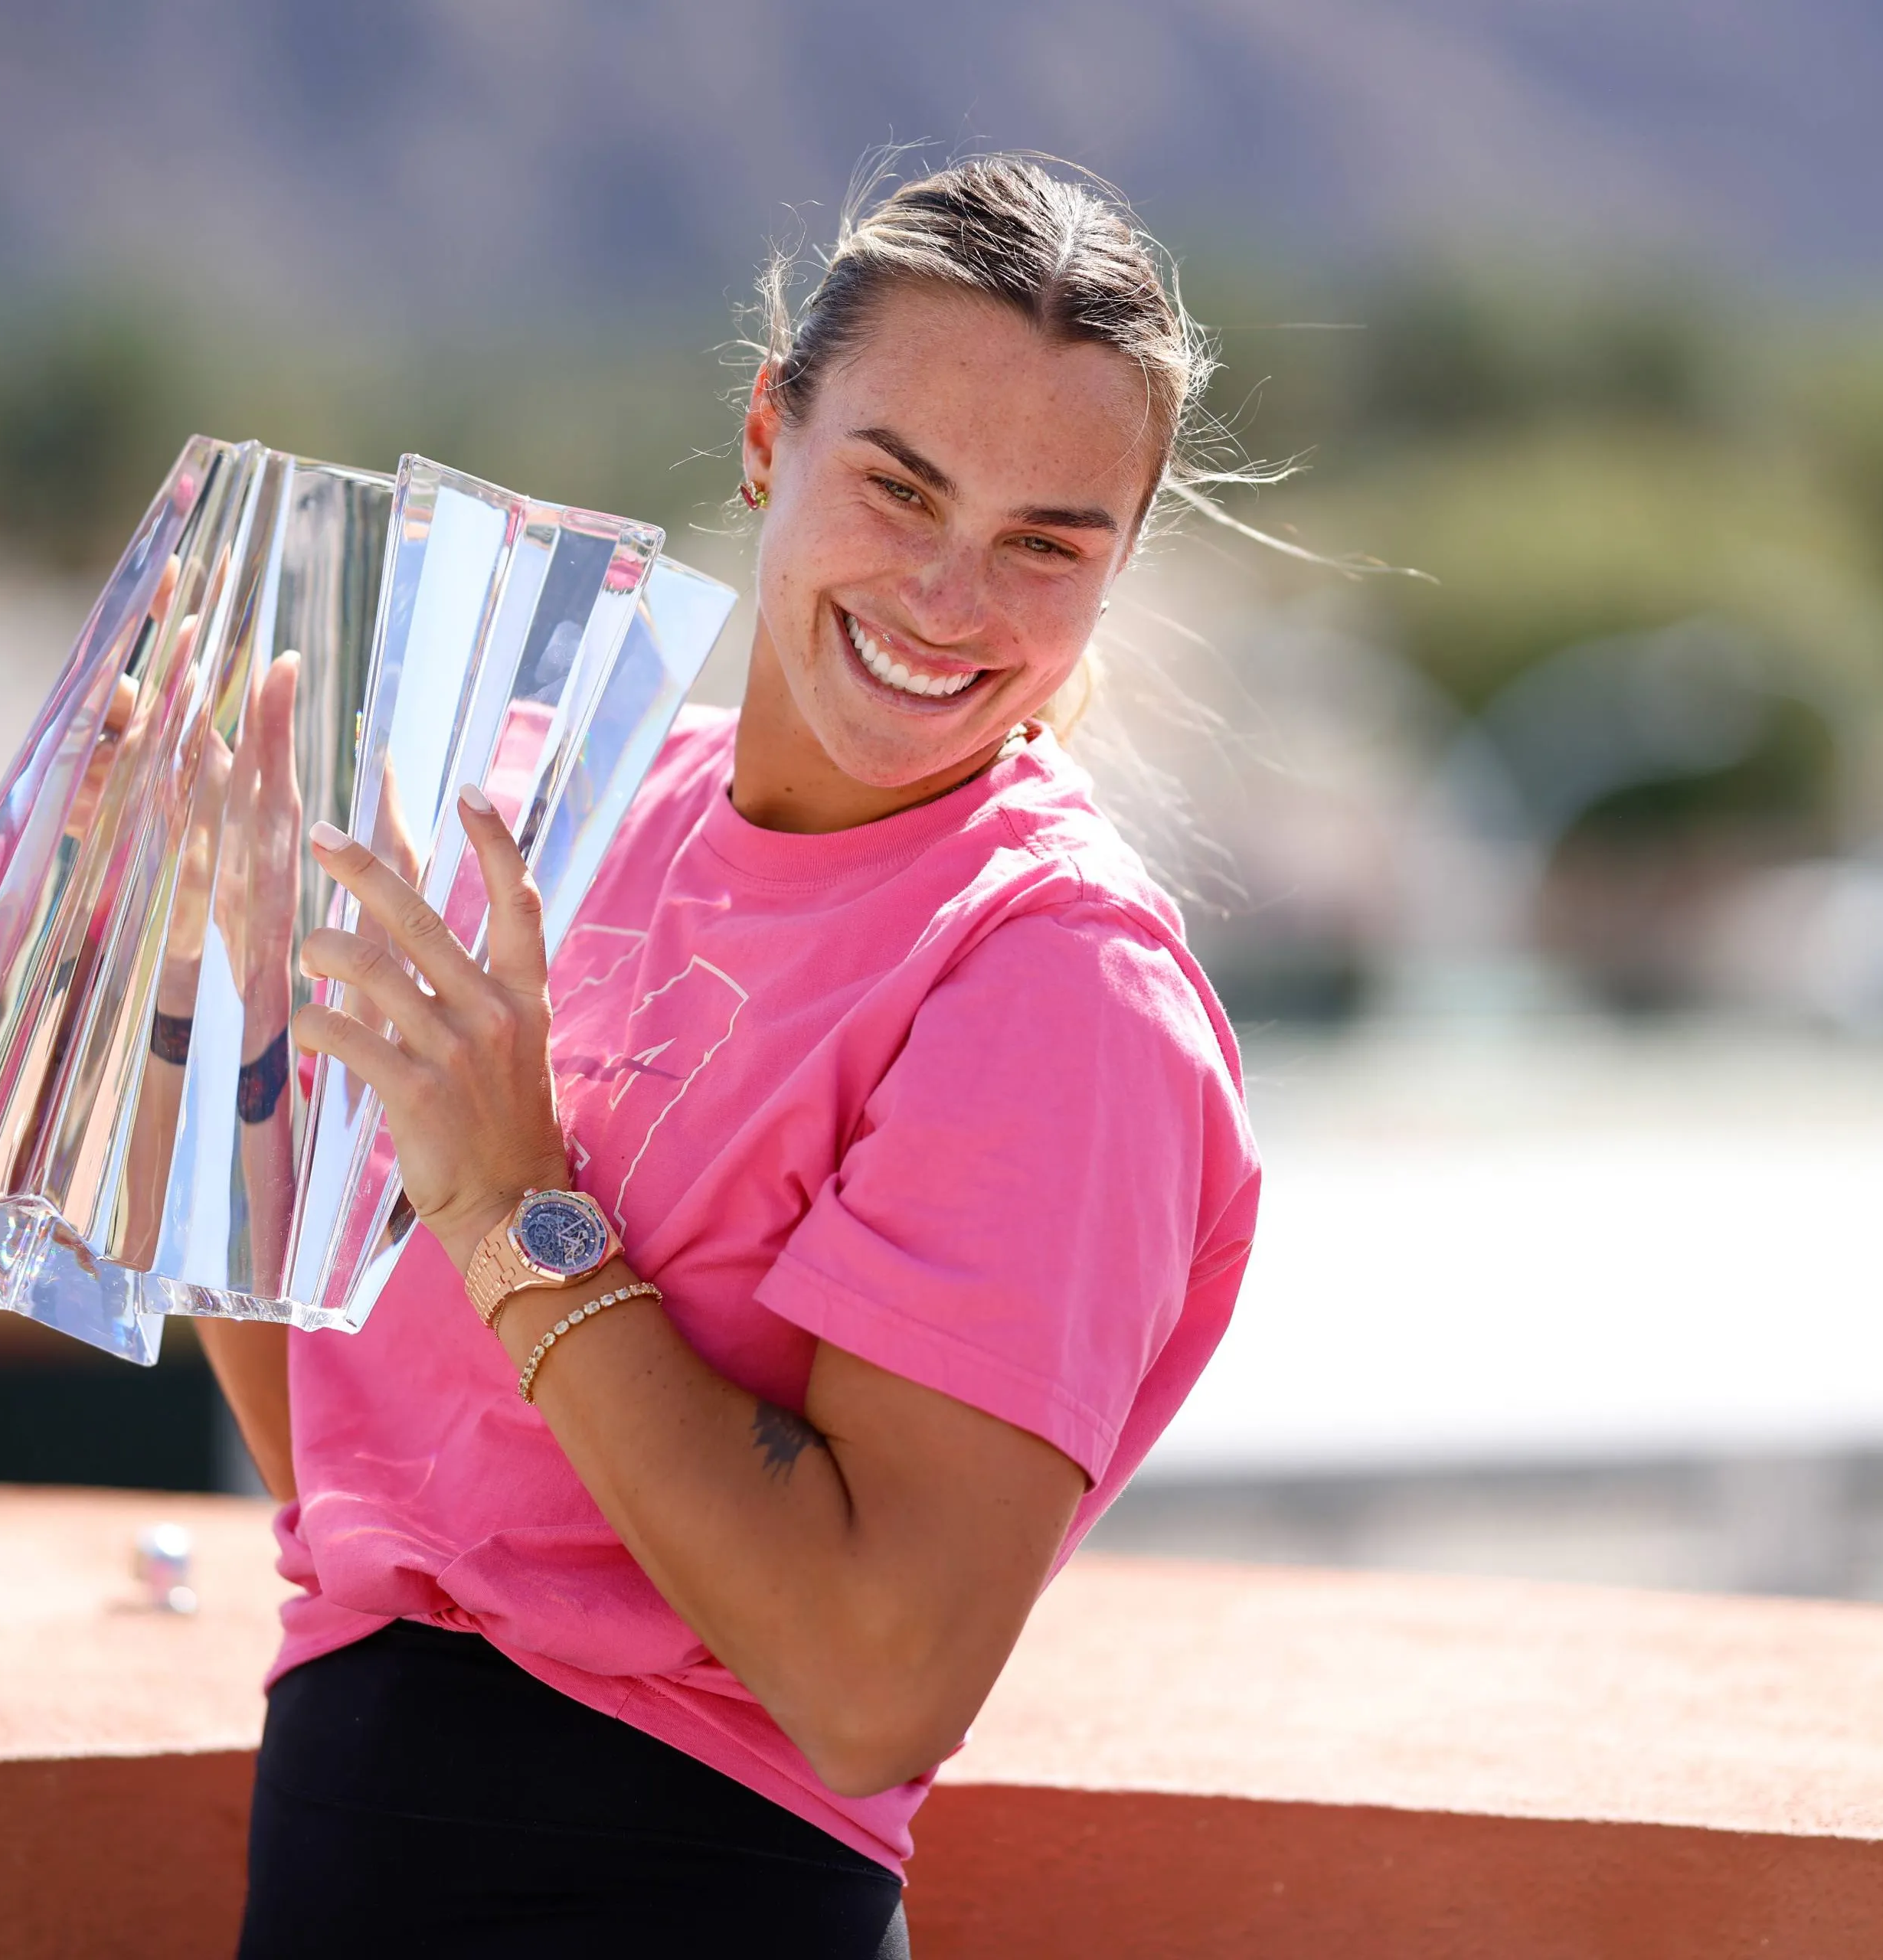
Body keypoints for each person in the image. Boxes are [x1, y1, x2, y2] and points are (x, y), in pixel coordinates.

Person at [198, 153, 1264, 1959]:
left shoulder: (1057, 984)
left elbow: (874, 1681)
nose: (947, 594)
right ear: (769, 434)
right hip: (335, 1844)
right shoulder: (551, 812)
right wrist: (237, 1026)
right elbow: (348, 1467)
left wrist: (517, 1203)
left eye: (1046, 542)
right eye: (899, 485)